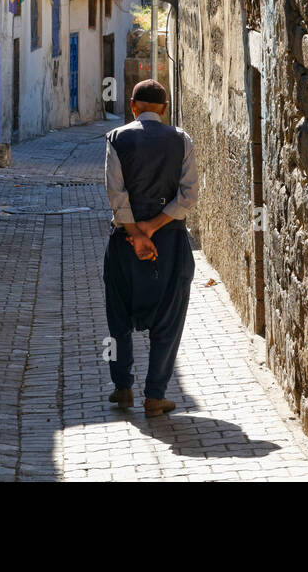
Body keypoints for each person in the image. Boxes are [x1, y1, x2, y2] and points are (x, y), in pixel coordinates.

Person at [102, 79, 198, 416]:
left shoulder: (116, 139)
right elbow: (187, 196)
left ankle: (122, 387)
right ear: (165, 108)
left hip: (124, 245)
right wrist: (153, 228)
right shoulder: (181, 140)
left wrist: (135, 233)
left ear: (132, 106)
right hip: (169, 242)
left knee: (118, 318)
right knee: (169, 319)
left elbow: (116, 193)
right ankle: (155, 396)